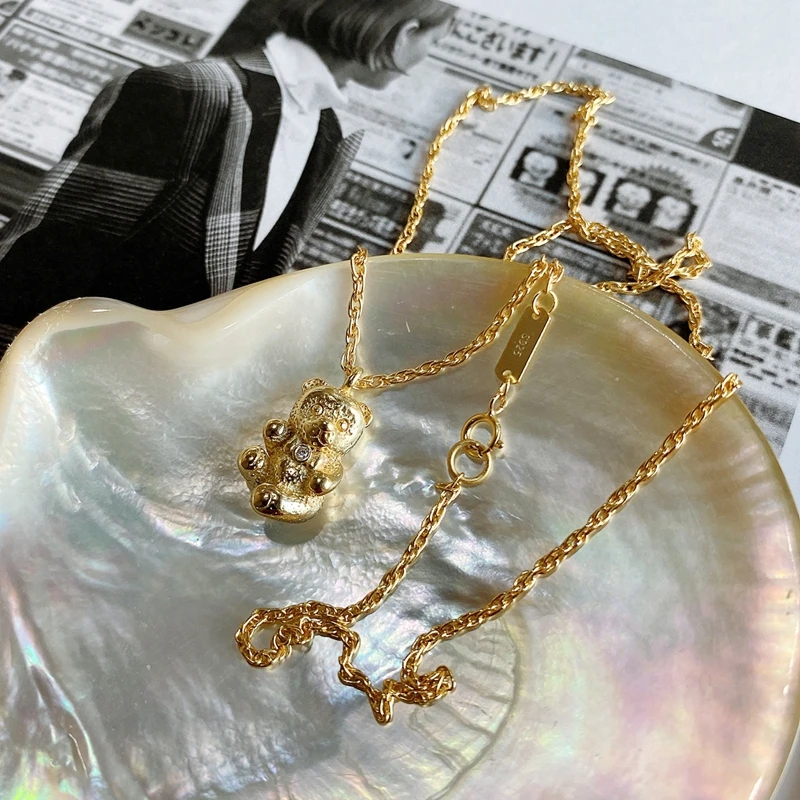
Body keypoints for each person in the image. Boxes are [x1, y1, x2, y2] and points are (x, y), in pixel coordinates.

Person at [0, 0, 455, 351]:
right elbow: (44, 253)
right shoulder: (187, 90)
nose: (426, 56)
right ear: (406, 31)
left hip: (147, 394)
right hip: (57, 368)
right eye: (434, 41)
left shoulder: (329, 132)